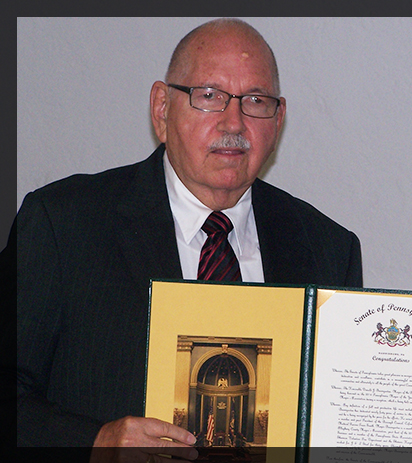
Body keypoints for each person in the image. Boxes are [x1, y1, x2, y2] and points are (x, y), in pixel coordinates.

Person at [14, 18, 362, 451]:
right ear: (162, 107)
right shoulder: (63, 224)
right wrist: (96, 442)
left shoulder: (328, 249)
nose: (233, 122)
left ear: (278, 119)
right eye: (210, 96)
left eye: (255, 100)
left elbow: (339, 421)